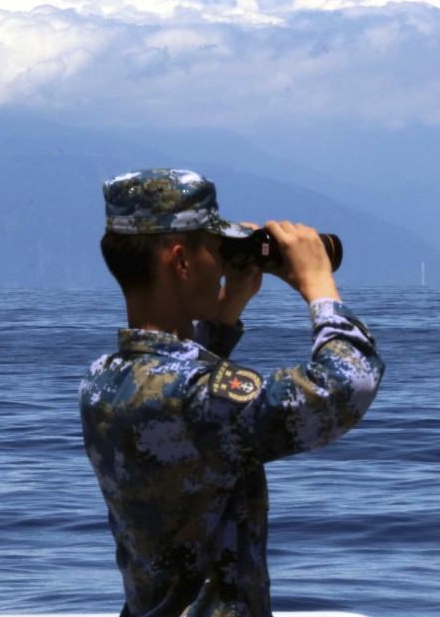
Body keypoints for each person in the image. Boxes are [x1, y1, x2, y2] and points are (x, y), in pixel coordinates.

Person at [79, 168, 384, 616]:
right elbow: (346, 386)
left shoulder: (102, 379)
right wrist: (319, 287)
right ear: (182, 261)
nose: (223, 263)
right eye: (216, 250)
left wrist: (227, 311)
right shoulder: (195, 398)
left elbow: (175, 385)